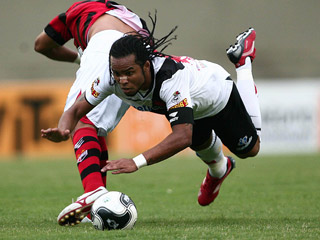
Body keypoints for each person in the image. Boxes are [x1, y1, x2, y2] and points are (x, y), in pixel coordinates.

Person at [42, 25, 261, 215]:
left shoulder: (170, 78)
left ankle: (243, 62)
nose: (123, 80)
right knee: (200, 140)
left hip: (217, 94)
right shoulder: (109, 77)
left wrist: (135, 162)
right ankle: (220, 170)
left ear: (146, 66)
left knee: (250, 150)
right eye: (118, 74)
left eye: (129, 72)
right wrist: (63, 129)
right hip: (191, 106)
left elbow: (182, 137)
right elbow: (75, 110)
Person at [34, 0, 152, 226]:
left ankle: (94, 189)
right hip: (143, 56)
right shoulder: (124, 12)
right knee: (94, 126)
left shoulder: (79, 9)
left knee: (80, 119)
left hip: (106, 45)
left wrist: (79, 57)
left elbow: (41, 45)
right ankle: (98, 202)